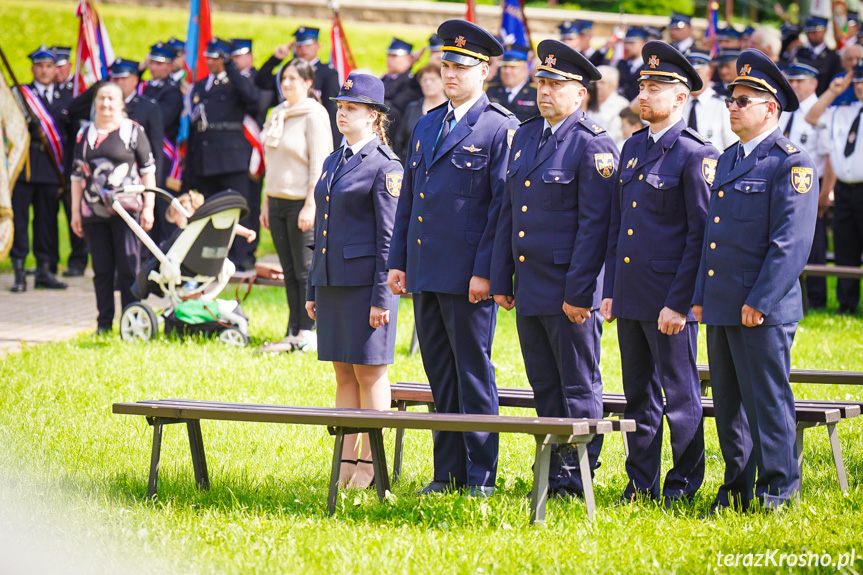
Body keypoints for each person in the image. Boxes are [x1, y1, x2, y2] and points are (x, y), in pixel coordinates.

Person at [387, 20, 518, 497]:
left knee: (473, 373)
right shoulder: (426, 123)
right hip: (425, 269)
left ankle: (481, 475)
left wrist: (487, 271)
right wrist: (399, 259)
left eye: (462, 67)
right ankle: (447, 474)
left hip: (469, 277)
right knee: (439, 376)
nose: (451, 74)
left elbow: (501, 210)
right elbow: (410, 201)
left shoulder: (500, 127)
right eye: (446, 65)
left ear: (484, 71)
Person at [490, 40, 618, 498]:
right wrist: (502, 278)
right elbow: (509, 212)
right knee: (544, 383)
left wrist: (580, 292)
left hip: (569, 290)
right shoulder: (525, 135)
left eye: (556, 85)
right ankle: (554, 472)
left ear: (579, 93)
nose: (545, 92)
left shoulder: (593, 145)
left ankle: (580, 474)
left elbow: (595, 228)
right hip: (531, 288)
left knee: (579, 385)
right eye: (542, 83)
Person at [692, 49, 818, 512]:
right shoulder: (727, 159)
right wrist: (702, 296)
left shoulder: (791, 163)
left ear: (771, 108)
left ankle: (778, 488)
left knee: (766, 401)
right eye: (731, 99)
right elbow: (713, 237)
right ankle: (737, 487)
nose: (732, 106)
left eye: (743, 100)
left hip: (761, 306)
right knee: (728, 404)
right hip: (724, 301)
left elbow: (791, 243)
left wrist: (760, 300)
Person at [601, 41, 718, 505]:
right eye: (643, 85)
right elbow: (617, 227)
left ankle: (684, 483)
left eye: (656, 87)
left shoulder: (695, 154)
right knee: (639, 397)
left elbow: (701, 237)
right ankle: (641, 482)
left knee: (681, 395)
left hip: (669, 299)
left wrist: (681, 302)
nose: (644, 93)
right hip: (631, 296)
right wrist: (611, 290)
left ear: (681, 97)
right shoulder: (631, 147)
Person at [305, 73, 402, 490]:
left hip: (367, 289)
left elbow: (388, 240)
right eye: (340, 106)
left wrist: (382, 297)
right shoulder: (333, 160)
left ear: (374, 116)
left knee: (370, 375)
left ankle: (370, 465)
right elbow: (321, 232)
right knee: (343, 374)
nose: (342, 113)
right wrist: (313, 288)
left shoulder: (386, 166)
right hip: (333, 284)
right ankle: (344, 463)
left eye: (352, 108)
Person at [69, 82, 157, 334]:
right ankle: (104, 323)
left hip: (127, 213)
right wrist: (75, 212)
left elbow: (147, 172)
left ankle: (132, 321)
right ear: (95, 102)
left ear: (121, 103)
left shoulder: (133, 131)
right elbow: (77, 177)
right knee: (102, 270)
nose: (106, 104)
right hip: (93, 213)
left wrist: (149, 206)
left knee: (129, 267)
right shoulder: (84, 134)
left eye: (111, 99)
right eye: (101, 98)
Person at [259, 58, 333, 352]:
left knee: (305, 271)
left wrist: (310, 206)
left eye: (293, 78)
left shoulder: (314, 114)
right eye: (284, 78)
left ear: (308, 82)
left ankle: (309, 329)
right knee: (288, 270)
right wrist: (266, 202)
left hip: (301, 203)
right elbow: (270, 164)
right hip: (276, 201)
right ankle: (293, 329)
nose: (286, 83)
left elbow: (319, 164)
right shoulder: (277, 113)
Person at [805, 62, 863, 314]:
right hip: (844, 189)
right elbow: (812, 117)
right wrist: (834, 91)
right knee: (845, 248)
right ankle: (846, 304)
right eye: (857, 81)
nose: (860, 86)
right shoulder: (842, 111)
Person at [9, 45, 69, 293]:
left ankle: (44, 271)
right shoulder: (19, 94)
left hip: (51, 169)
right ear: (33, 68)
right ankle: (19, 272)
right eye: (40, 66)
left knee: (47, 222)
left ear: (55, 69)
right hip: (24, 169)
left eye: (49, 66)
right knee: (20, 220)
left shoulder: (66, 97)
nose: (44, 71)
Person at [780, 61, 830, 310]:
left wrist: (826, 192)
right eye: (793, 80)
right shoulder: (787, 111)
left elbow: (828, 155)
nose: (795, 85)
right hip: (782, 183)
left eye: (800, 81)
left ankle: (817, 299)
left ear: (814, 83)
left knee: (815, 243)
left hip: (812, 183)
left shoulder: (821, 111)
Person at [186, 39, 260, 199]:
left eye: (216, 58)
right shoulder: (200, 85)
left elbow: (252, 97)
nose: (211, 62)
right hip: (204, 159)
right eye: (208, 58)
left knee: (236, 209)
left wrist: (230, 67)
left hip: (229, 159)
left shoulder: (236, 82)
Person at [255, 27, 341, 147]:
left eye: (308, 45)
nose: (303, 49)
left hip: (313, 130)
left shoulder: (327, 73)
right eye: (299, 46)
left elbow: (332, 111)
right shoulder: (288, 71)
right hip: (288, 131)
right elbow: (262, 81)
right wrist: (275, 59)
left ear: (317, 46)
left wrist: (333, 146)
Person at [228, 38, 269, 271]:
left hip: (252, 153)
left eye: (239, 56)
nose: (234, 62)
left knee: (250, 204)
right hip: (229, 154)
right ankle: (232, 253)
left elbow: (255, 102)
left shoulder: (258, 78)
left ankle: (247, 253)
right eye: (232, 57)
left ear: (250, 57)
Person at [141, 43, 184, 243]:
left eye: (160, 64)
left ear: (169, 66)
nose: (154, 68)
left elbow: (160, 121)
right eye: (152, 63)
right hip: (142, 155)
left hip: (164, 160)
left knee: (163, 209)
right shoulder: (143, 87)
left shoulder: (173, 92)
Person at [683, 49, 737, 150]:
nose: (693, 79)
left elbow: (731, 147)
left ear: (709, 74)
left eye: (697, 73)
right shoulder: (677, 104)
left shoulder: (722, 105)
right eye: (688, 74)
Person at [392, 64, 446, 161]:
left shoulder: (451, 108)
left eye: (433, 79)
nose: (428, 83)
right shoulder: (412, 108)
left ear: (443, 82)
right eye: (424, 80)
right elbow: (399, 142)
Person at [165, 190, 256, 244]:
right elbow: (229, 224)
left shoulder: (201, 222)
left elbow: (231, 225)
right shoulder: (207, 221)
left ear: (182, 212)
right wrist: (246, 232)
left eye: (177, 222)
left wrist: (246, 232)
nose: (178, 225)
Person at [382, 38, 423, 138]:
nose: (389, 59)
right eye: (389, 55)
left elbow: (395, 107)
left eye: (394, 56)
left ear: (408, 59)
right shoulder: (384, 79)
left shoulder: (410, 82)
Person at [485, 45, 538, 122]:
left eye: (513, 67)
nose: (507, 71)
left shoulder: (535, 93)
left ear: (525, 70)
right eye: (505, 67)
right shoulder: (490, 90)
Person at [798, 16, 843, 95]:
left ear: (824, 30)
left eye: (815, 32)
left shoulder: (834, 57)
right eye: (808, 32)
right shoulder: (800, 53)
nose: (811, 35)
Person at [593, 65, 632, 146]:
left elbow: (618, 134)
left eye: (602, 82)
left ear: (613, 85)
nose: (597, 86)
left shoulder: (622, 104)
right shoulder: (588, 101)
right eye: (596, 82)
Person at [618, 27, 649, 101]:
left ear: (643, 44)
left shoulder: (648, 67)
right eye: (626, 43)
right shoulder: (621, 64)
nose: (627, 47)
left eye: (632, 43)